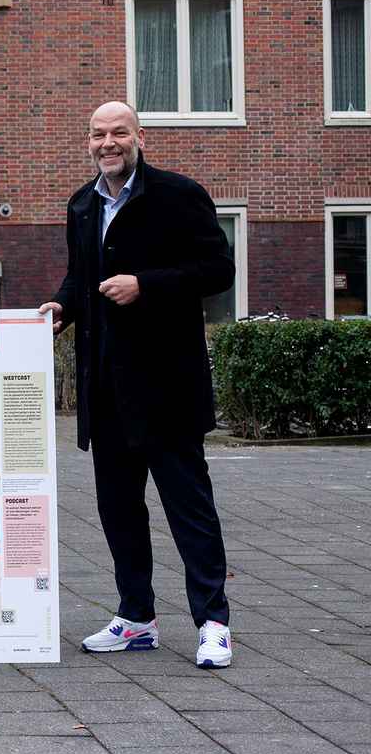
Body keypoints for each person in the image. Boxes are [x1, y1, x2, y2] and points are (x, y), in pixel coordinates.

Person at [39, 101, 236, 669]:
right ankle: (136, 617)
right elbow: (82, 279)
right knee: (120, 511)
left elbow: (217, 271)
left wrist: (145, 285)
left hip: (168, 389)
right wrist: (63, 307)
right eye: (98, 134)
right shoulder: (82, 204)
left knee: (189, 511)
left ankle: (213, 623)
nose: (108, 143)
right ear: (89, 141)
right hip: (107, 393)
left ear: (138, 136)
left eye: (118, 132)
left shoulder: (178, 194)